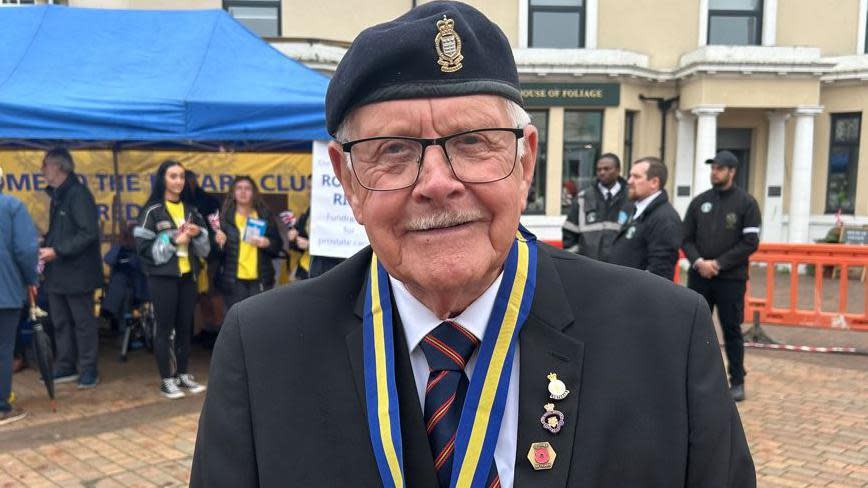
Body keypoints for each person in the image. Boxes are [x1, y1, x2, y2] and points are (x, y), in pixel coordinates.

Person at [191, 3, 755, 487]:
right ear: (347, 180)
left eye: (474, 141)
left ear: (525, 161)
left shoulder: (664, 336)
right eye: (393, 149)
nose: (437, 183)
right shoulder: (263, 349)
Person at [682, 150, 762, 403]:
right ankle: (692, 379)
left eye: (719, 168)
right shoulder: (699, 202)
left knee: (731, 329)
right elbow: (685, 238)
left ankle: (737, 380)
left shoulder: (746, 203)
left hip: (730, 278)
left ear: (732, 171)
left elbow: (750, 241)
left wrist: (718, 264)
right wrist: (699, 262)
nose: (714, 172)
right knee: (694, 328)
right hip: (699, 277)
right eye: (712, 167)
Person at [134, 160, 210, 400]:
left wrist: (198, 234)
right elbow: (142, 248)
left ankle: (183, 374)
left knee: (185, 326)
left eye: (181, 177)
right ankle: (167, 379)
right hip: (163, 278)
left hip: (188, 276)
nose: (178, 181)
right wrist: (172, 240)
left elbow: (205, 249)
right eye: (173, 176)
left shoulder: (191, 210)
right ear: (163, 180)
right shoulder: (151, 211)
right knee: (165, 328)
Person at [39, 148, 103, 388]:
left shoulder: (78, 194)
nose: (42, 170)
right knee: (60, 322)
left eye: (45, 165)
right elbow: (65, 232)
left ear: (58, 167)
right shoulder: (58, 195)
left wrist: (57, 250)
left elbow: (88, 232)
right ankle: (65, 364)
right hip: (57, 274)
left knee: (83, 322)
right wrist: (46, 242)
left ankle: (89, 369)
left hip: (77, 273)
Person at [0, 166, 39, 425]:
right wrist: (31, 280)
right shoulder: (11, 206)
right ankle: (2, 404)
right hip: (5, 291)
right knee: (4, 348)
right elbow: (25, 249)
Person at [213, 176, 282, 310]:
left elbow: (277, 245)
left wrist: (267, 243)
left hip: (260, 279)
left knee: (258, 321)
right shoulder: (224, 218)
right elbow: (214, 255)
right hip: (233, 281)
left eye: (247, 189)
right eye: (239, 188)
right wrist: (219, 243)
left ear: (254, 193)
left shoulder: (264, 216)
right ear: (233, 193)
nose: (243, 192)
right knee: (235, 323)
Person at [608, 157, 683, 281]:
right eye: (630, 176)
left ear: (654, 182)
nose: (629, 181)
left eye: (636, 177)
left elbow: (659, 272)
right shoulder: (634, 209)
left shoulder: (665, 219)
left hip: (637, 295)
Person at [562, 153, 631, 261]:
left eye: (607, 169)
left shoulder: (631, 199)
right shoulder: (583, 198)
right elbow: (569, 233)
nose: (602, 172)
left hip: (623, 269)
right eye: (599, 170)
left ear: (618, 170)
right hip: (590, 270)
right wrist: (577, 261)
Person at [285, 207, 311, 280]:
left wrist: (310, 246)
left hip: (330, 270)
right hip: (305, 267)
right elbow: (297, 246)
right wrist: (294, 237)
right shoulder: (311, 209)